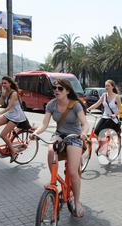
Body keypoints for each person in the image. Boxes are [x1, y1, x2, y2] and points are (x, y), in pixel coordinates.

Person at [31, 78, 89, 218]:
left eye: (60, 88)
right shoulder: (51, 104)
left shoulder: (75, 105)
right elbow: (44, 124)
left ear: (67, 91)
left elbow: (85, 124)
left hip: (75, 136)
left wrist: (83, 134)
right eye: (55, 88)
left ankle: (77, 202)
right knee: (51, 151)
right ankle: (54, 182)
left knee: (73, 172)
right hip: (59, 134)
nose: (56, 91)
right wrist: (36, 133)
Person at [87, 80, 122, 155]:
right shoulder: (104, 95)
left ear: (112, 87)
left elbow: (120, 110)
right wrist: (88, 108)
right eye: (105, 86)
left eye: (108, 86)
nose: (106, 87)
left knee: (101, 131)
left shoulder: (117, 97)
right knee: (96, 132)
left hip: (113, 119)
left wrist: (115, 115)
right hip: (105, 116)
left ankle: (104, 148)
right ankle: (103, 145)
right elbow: (97, 104)